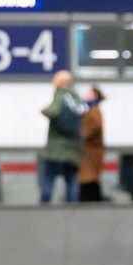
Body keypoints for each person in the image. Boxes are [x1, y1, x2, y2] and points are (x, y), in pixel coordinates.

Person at [39, 69, 84, 204]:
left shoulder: (60, 96)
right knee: (71, 180)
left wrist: (44, 109)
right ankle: (73, 208)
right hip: (73, 148)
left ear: (60, 82)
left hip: (56, 149)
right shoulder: (76, 98)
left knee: (48, 179)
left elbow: (53, 112)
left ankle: (43, 208)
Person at [79, 86, 107, 202]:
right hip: (90, 150)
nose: (86, 95)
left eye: (89, 93)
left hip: (91, 150)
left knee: (90, 177)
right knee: (90, 177)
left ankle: (92, 200)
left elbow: (96, 126)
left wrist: (83, 134)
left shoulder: (94, 110)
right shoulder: (90, 109)